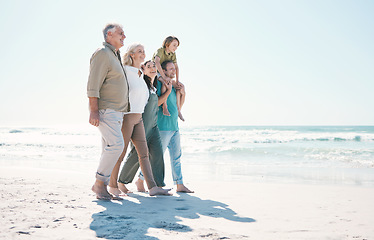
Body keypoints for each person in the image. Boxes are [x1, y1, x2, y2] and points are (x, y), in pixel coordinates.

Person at [108, 44, 171, 197]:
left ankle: (153, 187)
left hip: (139, 119)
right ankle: (112, 186)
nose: (143, 53)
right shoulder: (125, 71)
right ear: (131, 55)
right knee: (121, 153)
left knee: (144, 154)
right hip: (127, 118)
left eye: (144, 51)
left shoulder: (139, 75)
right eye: (140, 51)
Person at [87, 23, 129, 200]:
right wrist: (94, 110)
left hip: (116, 112)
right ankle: (99, 184)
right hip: (106, 110)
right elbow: (93, 84)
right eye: (121, 33)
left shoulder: (115, 55)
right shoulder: (103, 54)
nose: (124, 37)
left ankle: (101, 187)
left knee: (108, 148)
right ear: (109, 35)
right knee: (116, 146)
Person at [155, 60, 193, 193]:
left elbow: (178, 108)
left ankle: (179, 184)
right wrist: (169, 89)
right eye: (170, 69)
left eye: (174, 69)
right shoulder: (162, 84)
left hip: (174, 127)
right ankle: (142, 179)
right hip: (163, 126)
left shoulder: (174, 86)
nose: (173, 71)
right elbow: (158, 103)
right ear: (163, 71)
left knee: (176, 157)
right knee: (157, 157)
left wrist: (183, 93)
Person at [153, 36, 185, 121]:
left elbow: (176, 67)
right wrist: (163, 76)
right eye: (174, 45)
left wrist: (177, 80)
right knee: (165, 82)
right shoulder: (160, 50)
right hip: (156, 71)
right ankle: (165, 106)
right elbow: (156, 62)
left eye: (177, 46)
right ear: (167, 44)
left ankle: (178, 110)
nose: (176, 48)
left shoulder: (173, 54)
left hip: (166, 73)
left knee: (180, 87)